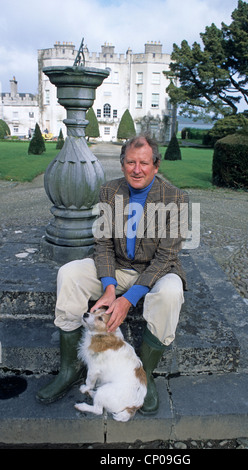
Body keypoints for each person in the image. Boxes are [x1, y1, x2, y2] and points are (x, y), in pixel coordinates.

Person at [36, 134, 188, 414]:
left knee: (170, 293)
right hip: (116, 267)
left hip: (155, 271)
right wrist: (109, 288)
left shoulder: (176, 199)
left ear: (155, 165)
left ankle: (143, 374)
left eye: (144, 162)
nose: (137, 169)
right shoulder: (109, 192)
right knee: (69, 273)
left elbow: (166, 257)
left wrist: (127, 299)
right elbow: (103, 244)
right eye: (131, 162)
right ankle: (70, 369)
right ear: (123, 165)